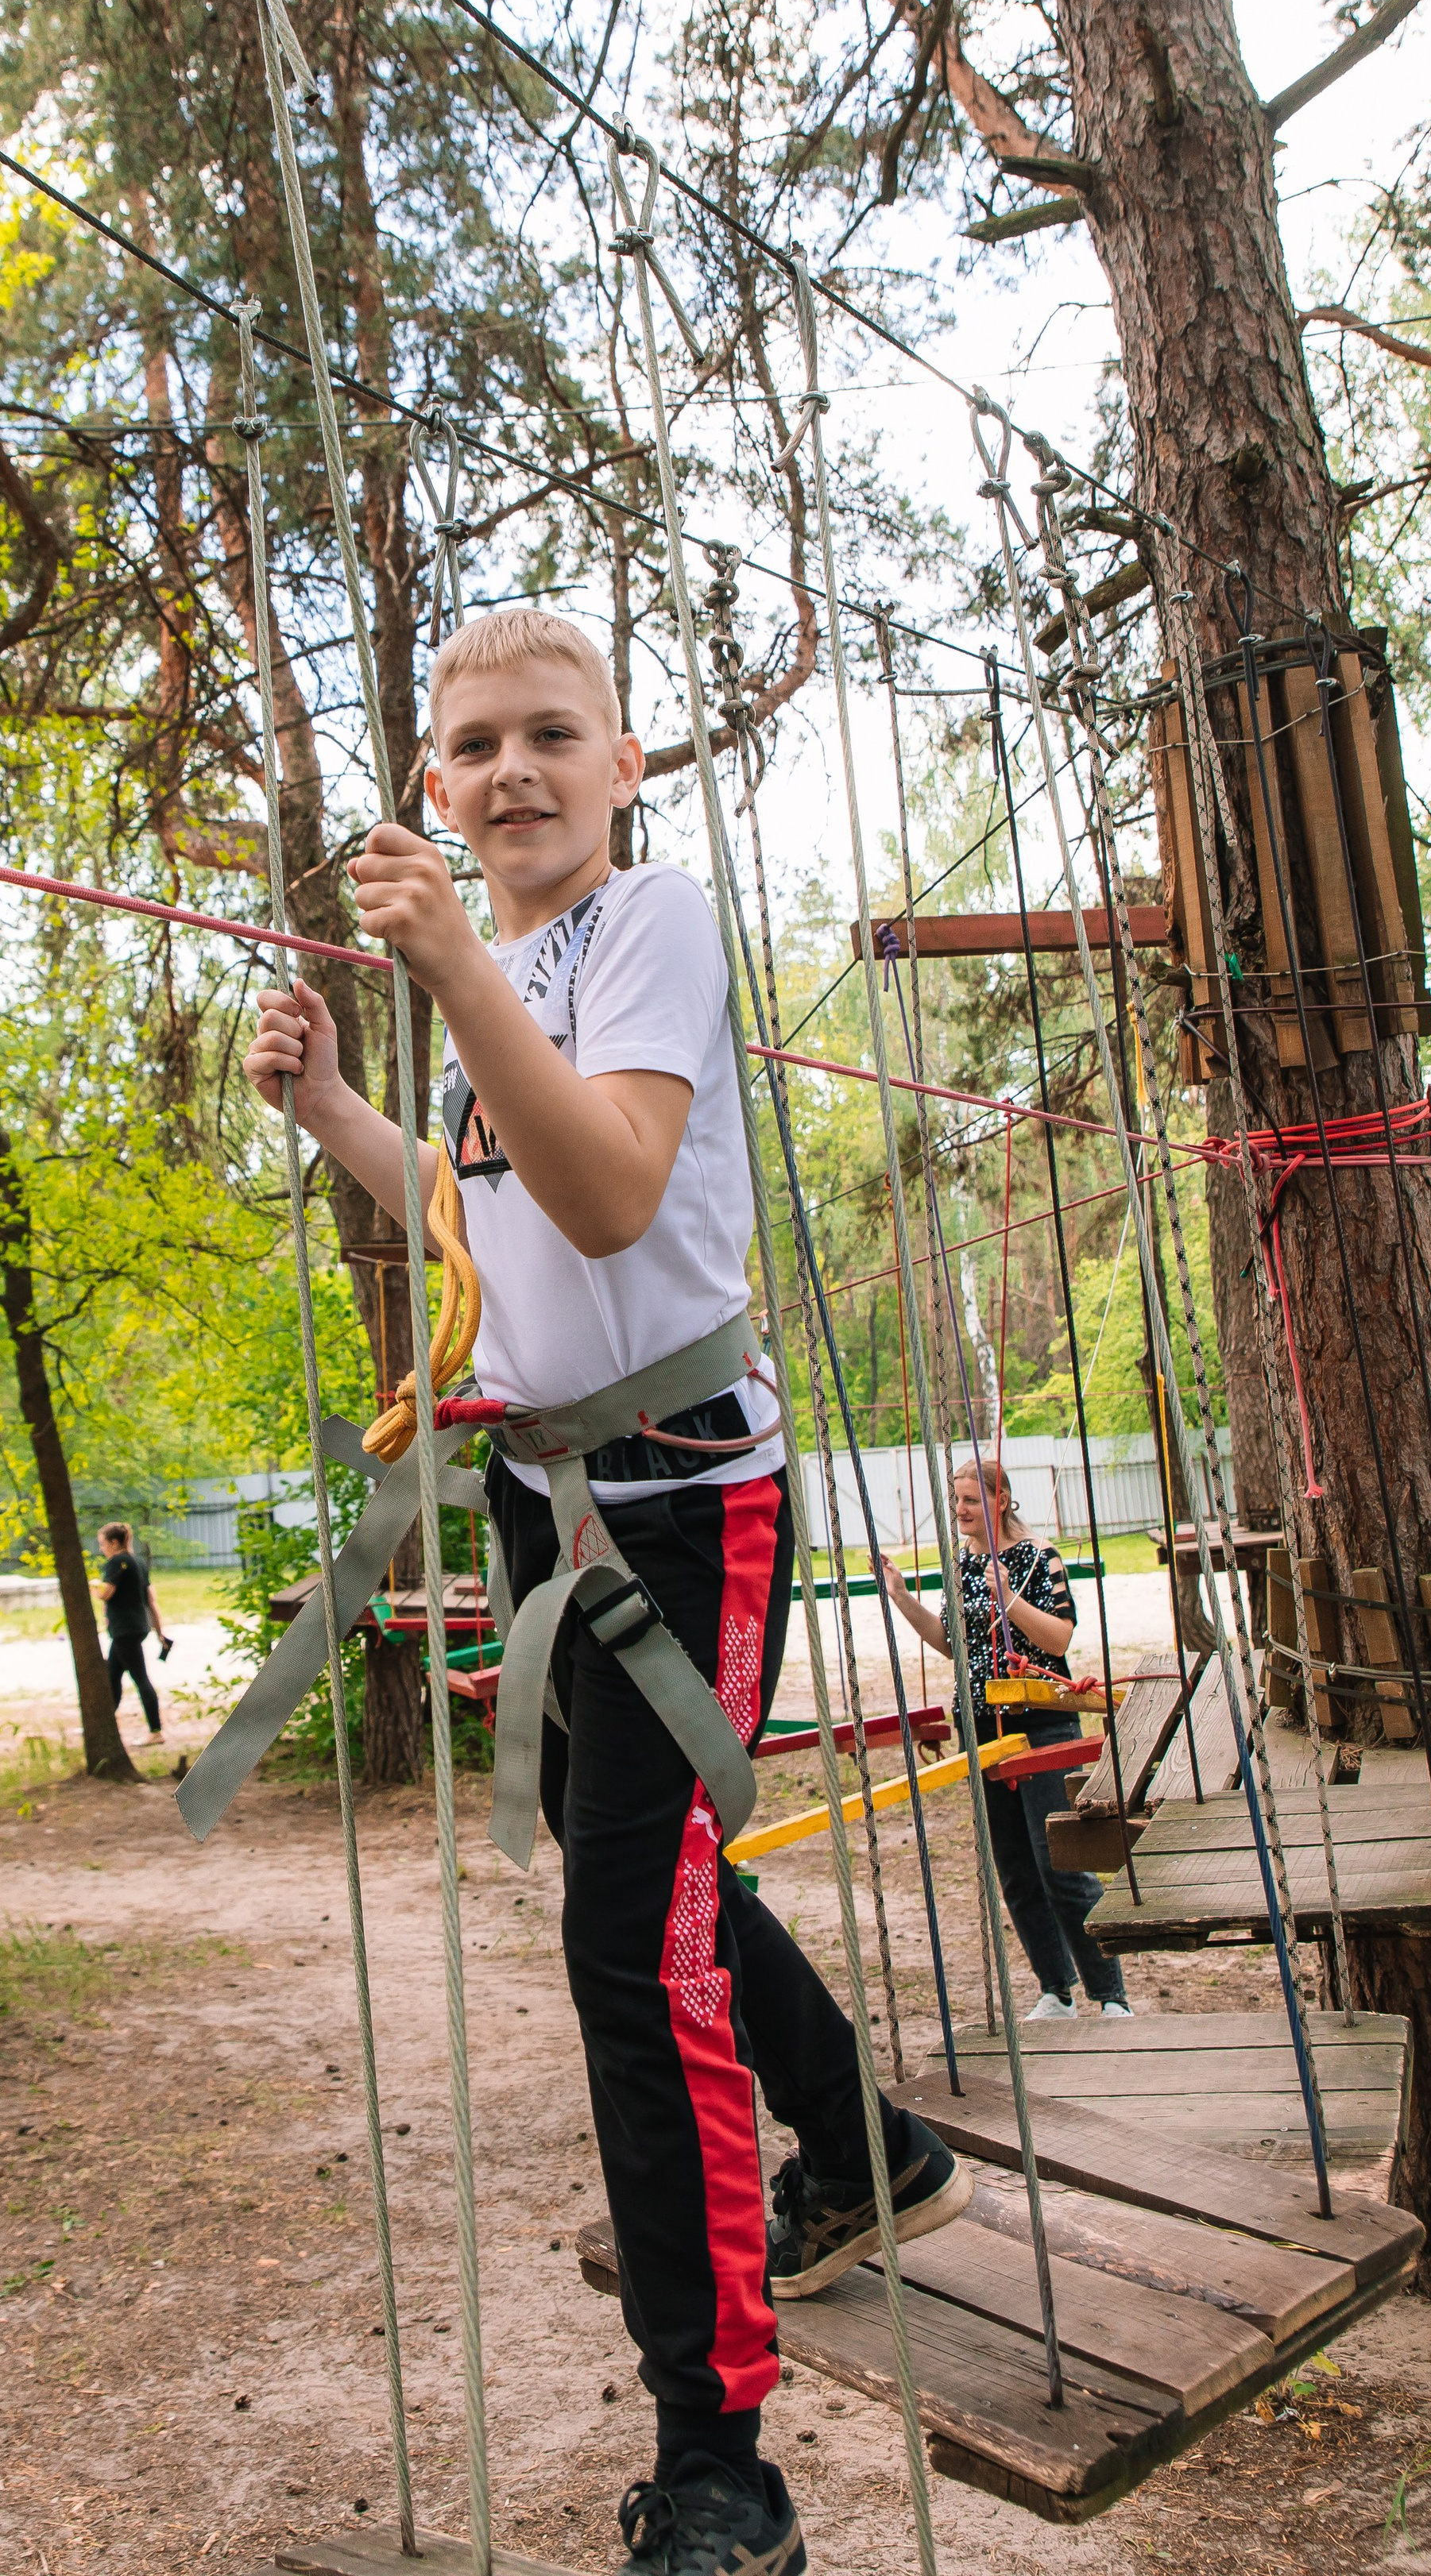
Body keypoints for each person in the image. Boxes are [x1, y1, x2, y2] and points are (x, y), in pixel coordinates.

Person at [245, 607, 970, 2576]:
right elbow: (483, 1199)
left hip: (673, 1499)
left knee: (625, 1953)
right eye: (471, 745)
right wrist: (330, 1106)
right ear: (427, 784)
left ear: (625, 758)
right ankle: (865, 2140)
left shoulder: (646, 917)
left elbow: (611, 1194)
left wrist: (453, 961)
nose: (510, 773)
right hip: (538, 1489)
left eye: (550, 734)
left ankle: (717, 2458)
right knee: (633, 1872)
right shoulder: (483, 966)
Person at [878, 1460, 1131, 2022]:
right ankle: (1055, 1990)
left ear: (1001, 1500)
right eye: (957, 1500)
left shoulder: (1040, 1556)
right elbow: (951, 1642)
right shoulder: (961, 1563)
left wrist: (1010, 1599)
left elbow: (1061, 1635)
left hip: (1038, 1719)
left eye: (970, 1500)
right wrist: (900, 1597)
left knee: (1057, 1863)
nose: (960, 1510)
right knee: (1015, 1867)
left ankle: (1110, 1994)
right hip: (981, 1722)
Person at [97, 1522, 168, 1739]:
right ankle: (103, 1726)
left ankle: (156, 1731)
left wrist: (93, 1589)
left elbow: (106, 1593)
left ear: (114, 1542)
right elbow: (151, 1600)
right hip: (137, 1626)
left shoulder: (117, 1562)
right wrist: (159, 1630)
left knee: (140, 1678)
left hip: (125, 1628)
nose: (102, 1549)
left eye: (103, 1544)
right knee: (112, 1676)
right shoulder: (138, 1563)